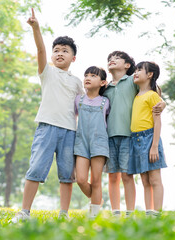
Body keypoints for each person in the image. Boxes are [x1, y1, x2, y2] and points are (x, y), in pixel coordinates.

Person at [10, 8, 84, 222]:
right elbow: (41, 50)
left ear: (74, 57)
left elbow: (87, 104)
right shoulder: (47, 72)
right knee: (36, 169)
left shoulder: (78, 82)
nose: (60, 53)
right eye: (57, 50)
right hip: (47, 128)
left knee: (66, 175)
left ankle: (64, 214)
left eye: (65, 51)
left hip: (70, 131)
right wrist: (36, 28)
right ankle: (24, 212)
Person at [103, 51, 165, 217]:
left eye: (116, 58)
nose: (112, 60)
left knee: (130, 176)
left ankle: (140, 212)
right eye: (109, 59)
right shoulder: (107, 88)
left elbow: (153, 90)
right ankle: (118, 211)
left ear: (127, 65)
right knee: (120, 177)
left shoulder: (132, 81)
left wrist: (162, 102)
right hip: (114, 137)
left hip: (134, 137)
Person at [128, 61, 167, 217]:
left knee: (155, 179)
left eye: (139, 70)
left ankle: (157, 212)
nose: (135, 72)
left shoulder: (152, 95)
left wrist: (154, 146)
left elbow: (158, 121)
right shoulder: (136, 95)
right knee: (144, 180)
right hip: (135, 140)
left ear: (150, 74)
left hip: (149, 138)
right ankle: (149, 211)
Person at [74, 66, 110, 218]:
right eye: (86, 75)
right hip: (81, 142)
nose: (88, 78)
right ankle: (97, 199)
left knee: (96, 181)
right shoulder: (78, 99)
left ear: (102, 83)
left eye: (93, 76)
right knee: (81, 179)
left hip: (99, 143)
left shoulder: (106, 102)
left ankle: (94, 214)